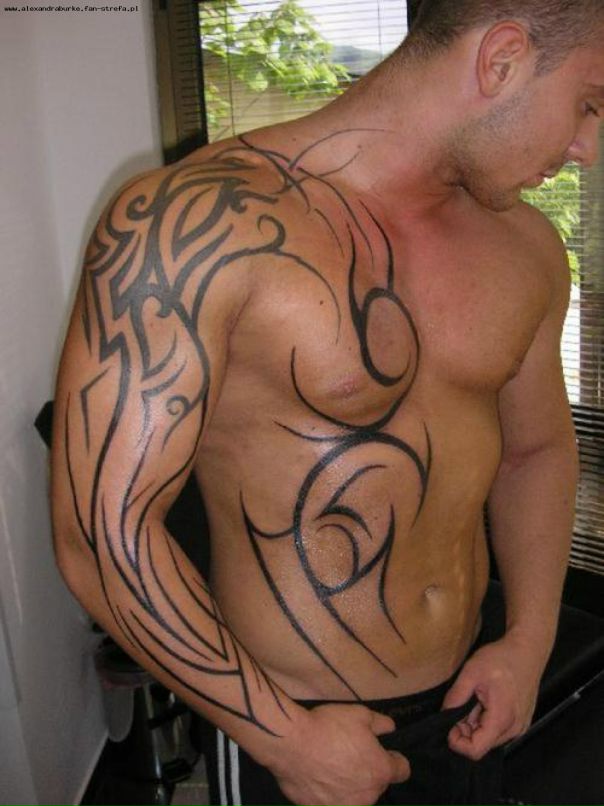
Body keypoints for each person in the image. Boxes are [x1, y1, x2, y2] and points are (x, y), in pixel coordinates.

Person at [50, 1, 603, 804]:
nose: (587, 149)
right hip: (292, 723)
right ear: (502, 59)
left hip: (470, 697)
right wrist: (286, 739)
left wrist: (529, 638)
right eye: (588, 104)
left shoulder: (527, 247)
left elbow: (536, 452)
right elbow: (101, 533)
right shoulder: (189, 228)